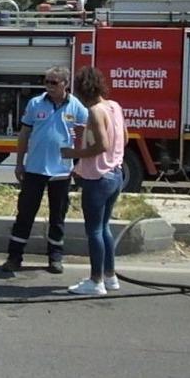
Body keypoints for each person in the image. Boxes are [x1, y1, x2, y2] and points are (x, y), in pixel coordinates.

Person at [1, 66, 88, 274]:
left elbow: (85, 136)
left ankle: (55, 257)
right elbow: (23, 135)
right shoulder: (35, 103)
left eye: (53, 82)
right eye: (46, 81)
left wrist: (80, 163)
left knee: (58, 216)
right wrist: (19, 162)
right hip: (35, 169)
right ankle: (14, 257)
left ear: (65, 84)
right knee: (25, 214)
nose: (48, 86)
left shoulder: (76, 107)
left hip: (61, 172)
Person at [61, 67, 127, 295]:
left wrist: (74, 155)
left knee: (94, 231)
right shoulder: (115, 106)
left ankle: (95, 281)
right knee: (104, 227)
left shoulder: (96, 111)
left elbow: (102, 145)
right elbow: (123, 139)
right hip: (115, 175)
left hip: (98, 178)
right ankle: (110, 276)